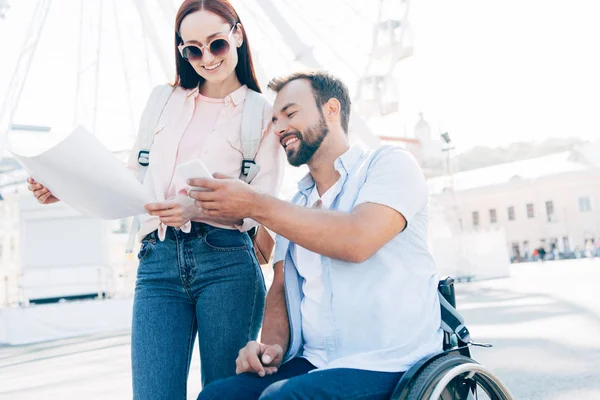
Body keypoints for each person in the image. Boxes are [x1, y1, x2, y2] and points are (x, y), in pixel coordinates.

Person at [27, 0, 284, 397]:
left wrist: (194, 208)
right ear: (182, 51)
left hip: (227, 261)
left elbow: (261, 203)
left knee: (225, 393)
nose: (206, 59)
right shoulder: (162, 101)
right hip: (157, 260)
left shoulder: (261, 113)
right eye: (192, 49)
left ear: (237, 33)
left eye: (215, 44)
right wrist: (64, 189)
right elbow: (132, 179)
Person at [189, 71, 443, 399]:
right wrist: (272, 347)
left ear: (332, 110)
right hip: (316, 362)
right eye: (275, 120)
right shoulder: (297, 204)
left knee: (284, 398)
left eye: (291, 114)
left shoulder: (389, 165)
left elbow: (357, 240)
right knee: (217, 396)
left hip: (390, 362)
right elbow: (280, 288)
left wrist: (254, 204)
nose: (279, 128)